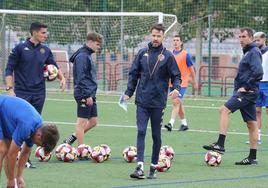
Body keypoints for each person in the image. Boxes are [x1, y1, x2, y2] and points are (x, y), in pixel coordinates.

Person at [123, 24, 181, 179]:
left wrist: (176, 88)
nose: (155, 38)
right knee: (141, 131)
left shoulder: (168, 56)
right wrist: (128, 92)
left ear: (163, 37)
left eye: (159, 36)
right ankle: (140, 167)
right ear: (150, 35)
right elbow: (133, 74)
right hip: (141, 101)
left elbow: (176, 76)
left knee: (156, 135)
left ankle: (153, 167)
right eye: (153, 35)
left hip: (158, 102)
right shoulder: (142, 53)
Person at [5, 22, 66, 168]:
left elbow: (54, 67)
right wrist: (10, 89)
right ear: (34, 32)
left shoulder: (45, 50)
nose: (46, 35)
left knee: (34, 127)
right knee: (17, 126)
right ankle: (11, 154)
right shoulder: (19, 48)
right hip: (21, 92)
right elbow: (9, 69)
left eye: (46, 33)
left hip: (39, 93)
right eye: (43, 33)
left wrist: (62, 78)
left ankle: (26, 159)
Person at [203, 28, 263, 165]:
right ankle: (252, 158)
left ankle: (220, 143)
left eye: (244, 36)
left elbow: (258, 72)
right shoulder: (249, 52)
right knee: (251, 124)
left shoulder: (253, 52)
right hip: (249, 92)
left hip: (246, 93)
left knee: (224, 110)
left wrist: (246, 87)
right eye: (239, 36)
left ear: (251, 38)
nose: (241, 39)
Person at [0, 95, 59, 188]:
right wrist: (11, 180)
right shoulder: (27, 126)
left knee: (7, 149)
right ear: (39, 136)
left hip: (6, 119)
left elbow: (25, 152)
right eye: (39, 144)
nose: (37, 145)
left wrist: (19, 177)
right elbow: (12, 154)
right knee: (2, 149)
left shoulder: (37, 129)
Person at [63, 32, 103, 147]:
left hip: (89, 93)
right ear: (90, 42)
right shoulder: (82, 56)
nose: (98, 47)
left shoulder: (87, 54)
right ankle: (81, 149)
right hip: (84, 93)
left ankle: (71, 139)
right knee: (81, 122)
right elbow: (81, 77)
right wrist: (87, 95)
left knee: (93, 121)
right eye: (97, 44)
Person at [164, 35, 198, 131]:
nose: (175, 42)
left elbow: (191, 70)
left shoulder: (185, 55)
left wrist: (195, 82)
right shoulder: (169, 54)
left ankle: (171, 123)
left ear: (181, 42)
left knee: (176, 102)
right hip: (172, 82)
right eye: (174, 40)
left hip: (182, 83)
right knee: (178, 103)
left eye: (177, 40)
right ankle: (184, 124)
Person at [245, 32, 268, 145]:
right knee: (257, 111)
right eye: (255, 40)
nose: (256, 42)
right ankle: (257, 136)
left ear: (264, 39)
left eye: (258, 40)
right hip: (257, 84)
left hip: (267, 84)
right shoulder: (254, 52)